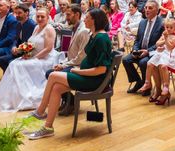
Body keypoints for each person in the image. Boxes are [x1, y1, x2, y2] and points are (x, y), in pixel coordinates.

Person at [26, 8, 113, 139]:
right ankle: (48, 127)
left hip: (94, 80)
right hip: (85, 76)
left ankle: (40, 111)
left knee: (53, 75)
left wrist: (78, 70)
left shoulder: (101, 38)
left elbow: (101, 70)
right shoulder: (94, 34)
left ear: (94, 20)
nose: (84, 19)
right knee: (56, 88)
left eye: (87, 17)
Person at [0, 7, 59, 111]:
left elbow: (48, 49)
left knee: (18, 65)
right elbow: (31, 44)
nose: (40, 18)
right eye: (38, 16)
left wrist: (33, 58)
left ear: (48, 17)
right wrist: (25, 52)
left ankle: (25, 95)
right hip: (35, 56)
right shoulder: (36, 28)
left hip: (46, 59)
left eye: (42, 17)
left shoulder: (49, 29)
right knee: (14, 63)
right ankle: (13, 97)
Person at [122, 0, 164, 93]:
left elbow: (161, 43)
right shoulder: (142, 22)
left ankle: (147, 85)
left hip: (153, 52)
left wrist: (148, 51)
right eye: (145, 7)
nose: (147, 10)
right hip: (140, 50)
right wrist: (135, 50)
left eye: (150, 8)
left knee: (143, 62)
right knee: (125, 60)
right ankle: (139, 82)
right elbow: (137, 39)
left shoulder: (161, 23)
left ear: (156, 10)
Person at [141, 17, 175, 97]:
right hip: (160, 53)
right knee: (149, 64)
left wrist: (166, 38)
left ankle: (166, 86)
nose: (169, 29)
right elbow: (157, 43)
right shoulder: (164, 35)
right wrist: (162, 41)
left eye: (171, 27)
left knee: (163, 67)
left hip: (169, 54)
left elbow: (170, 47)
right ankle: (147, 82)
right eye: (167, 27)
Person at [0, 4, 37, 72]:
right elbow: (16, 39)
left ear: (26, 13)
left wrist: (19, 50)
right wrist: (14, 46)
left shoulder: (32, 25)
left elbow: (32, 43)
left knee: (10, 63)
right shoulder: (18, 24)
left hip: (28, 53)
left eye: (19, 13)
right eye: (16, 13)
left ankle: (15, 78)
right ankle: (11, 76)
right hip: (19, 51)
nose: (17, 15)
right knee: (1, 60)